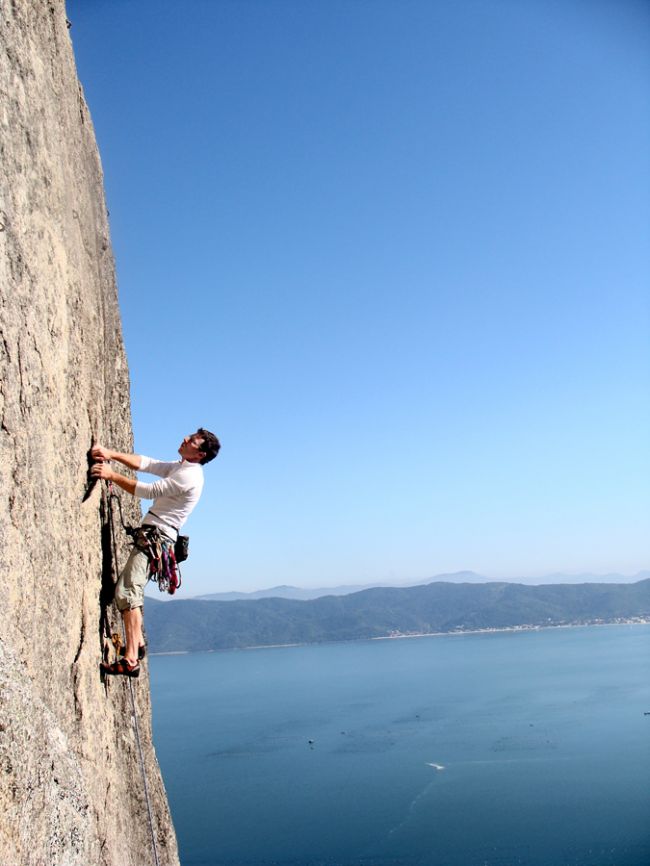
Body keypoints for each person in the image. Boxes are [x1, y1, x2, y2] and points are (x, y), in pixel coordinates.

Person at [90, 428, 220, 677]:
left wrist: (111, 474)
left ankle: (130, 659)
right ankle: (136, 643)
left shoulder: (190, 476)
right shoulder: (182, 467)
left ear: (200, 453)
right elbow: (147, 464)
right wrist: (111, 454)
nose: (184, 438)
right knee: (132, 589)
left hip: (156, 538)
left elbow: (149, 491)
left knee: (127, 591)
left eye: (192, 440)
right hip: (156, 536)